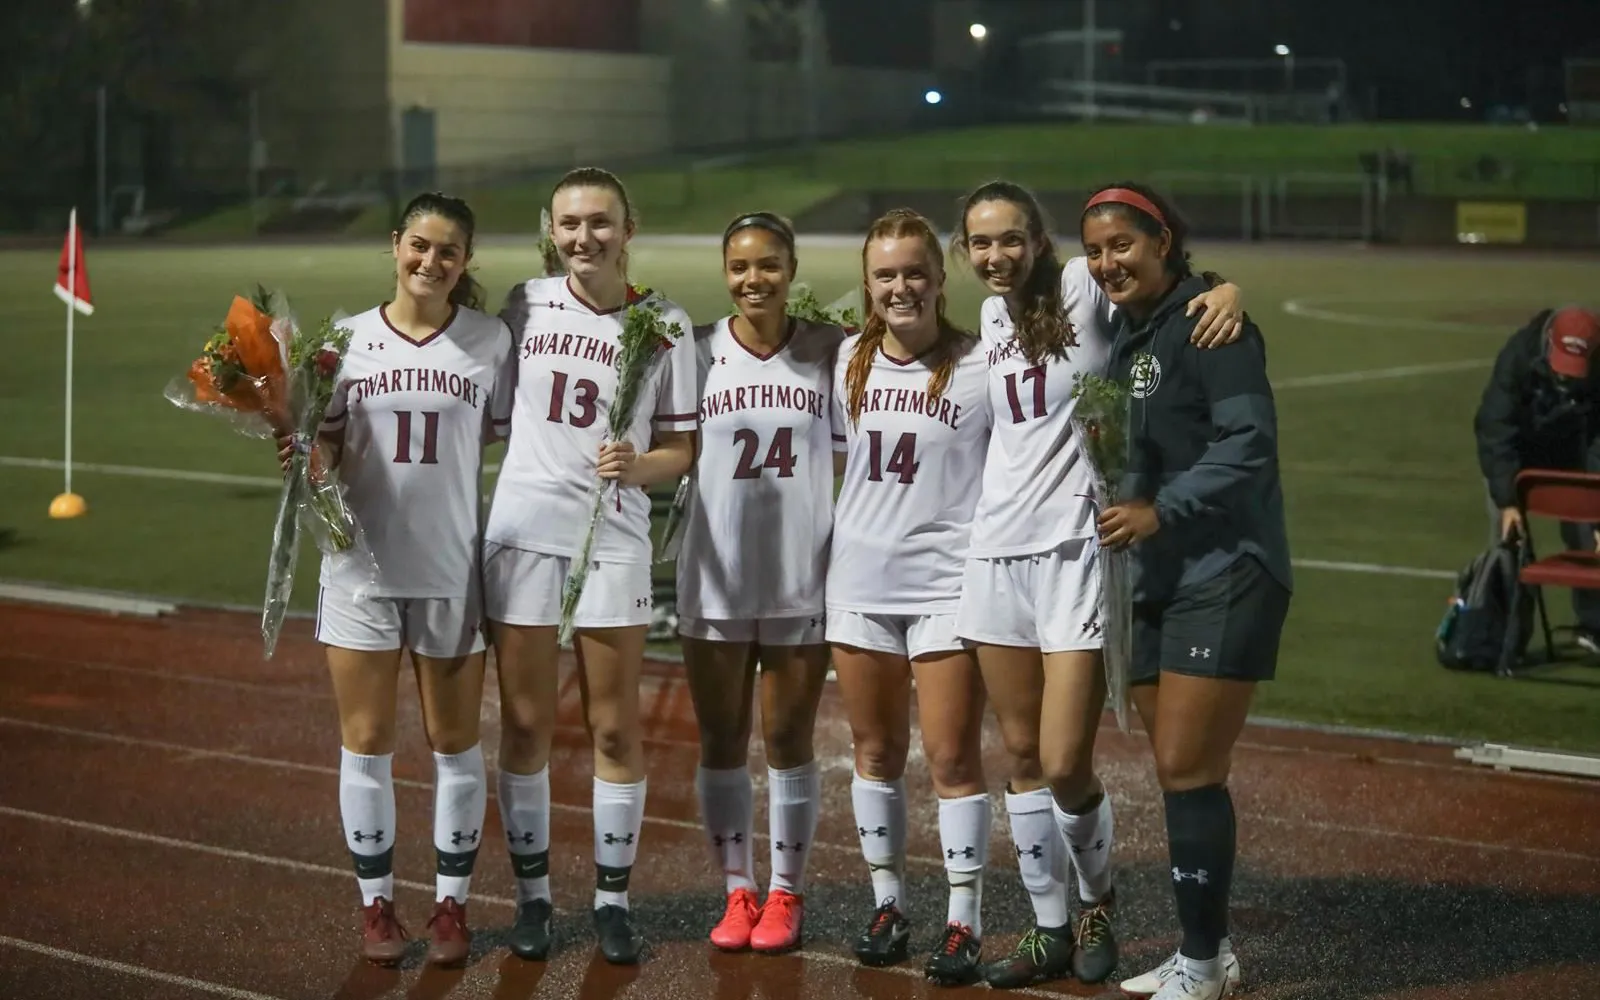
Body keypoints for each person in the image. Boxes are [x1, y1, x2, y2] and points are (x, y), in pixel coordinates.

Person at [949, 180, 1245, 990]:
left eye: (1011, 239)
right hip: (995, 550)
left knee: (1064, 756)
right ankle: (1049, 927)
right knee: (1019, 754)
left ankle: (1099, 901)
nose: (996, 256)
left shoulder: (1083, 286)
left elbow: (1157, 283)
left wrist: (1223, 287)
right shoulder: (989, 317)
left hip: (1076, 548)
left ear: (1040, 242)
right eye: (979, 243)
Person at [274, 191, 512, 967]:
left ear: (465, 262)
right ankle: (377, 907)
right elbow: (329, 457)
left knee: (453, 742)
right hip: (359, 573)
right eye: (419, 245)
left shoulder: (488, 341)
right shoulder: (344, 341)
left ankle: (451, 906)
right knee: (367, 741)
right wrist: (298, 448)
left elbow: (520, 447)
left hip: (449, 571)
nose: (430, 262)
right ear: (395, 245)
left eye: (448, 251)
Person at [484, 167, 699, 965]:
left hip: (612, 539)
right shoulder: (524, 304)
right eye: (569, 224)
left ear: (627, 227)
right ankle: (534, 898)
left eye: (599, 222)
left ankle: (612, 901)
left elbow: (683, 452)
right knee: (528, 725)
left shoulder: (665, 323)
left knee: (614, 724)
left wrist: (638, 465)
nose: (584, 238)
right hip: (523, 534)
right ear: (552, 231)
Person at [1084, 182, 1289, 1000]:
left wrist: (1159, 510)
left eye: (1124, 246)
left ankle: (1204, 966)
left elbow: (1250, 445)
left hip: (1224, 570)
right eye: (1095, 250)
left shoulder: (1212, 326)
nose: (1107, 263)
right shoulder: (1127, 333)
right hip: (1154, 577)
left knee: (1186, 765)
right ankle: (1205, 948)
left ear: (1163, 241)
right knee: (1179, 772)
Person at [829, 208, 994, 986]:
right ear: (867, 283)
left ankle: (965, 920)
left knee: (953, 757)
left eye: (915, 272)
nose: (901, 286)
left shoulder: (981, 363)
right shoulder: (842, 361)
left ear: (939, 277)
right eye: (886, 274)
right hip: (860, 584)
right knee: (875, 752)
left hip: (947, 588)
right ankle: (888, 903)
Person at [675, 212, 841, 954]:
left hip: (800, 575)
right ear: (725, 272)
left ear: (792, 267)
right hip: (716, 578)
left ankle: (786, 892)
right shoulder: (695, 351)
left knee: (787, 738)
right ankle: (737, 889)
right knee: (720, 738)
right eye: (740, 266)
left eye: (769, 264)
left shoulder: (830, 350)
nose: (754, 279)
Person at [1474, 305, 1600, 650]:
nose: (1568, 378)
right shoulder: (1517, 356)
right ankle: (1511, 636)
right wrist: (1508, 501)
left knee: (1588, 533)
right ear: (1547, 342)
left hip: (1573, 452)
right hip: (1516, 455)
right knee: (1508, 541)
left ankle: (1594, 626)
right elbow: (1495, 429)